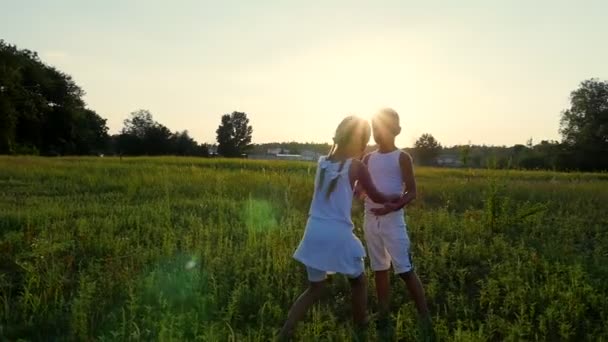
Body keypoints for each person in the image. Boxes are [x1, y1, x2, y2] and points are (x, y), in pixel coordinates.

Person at [279, 116, 399, 340]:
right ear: (360, 142)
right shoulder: (356, 166)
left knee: (315, 288)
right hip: (338, 232)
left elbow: (339, 188)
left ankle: (286, 331)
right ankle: (360, 322)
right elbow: (377, 196)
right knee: (358, 280)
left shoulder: (322, 163)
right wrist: (396, 196)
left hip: (314, 230)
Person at [361, 108, 433, 333]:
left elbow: (411, 192)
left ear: (396, 130)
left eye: (383, 128)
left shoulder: (402, 157)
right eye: (374, 128)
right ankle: (383, 313)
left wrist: (395, 205)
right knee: (379, 268)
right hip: (371, 220)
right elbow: (362, 187)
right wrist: (361, 194)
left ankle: (425, 317)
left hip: (393, 222)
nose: (377, 133)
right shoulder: (368, 158)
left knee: (404, 269)